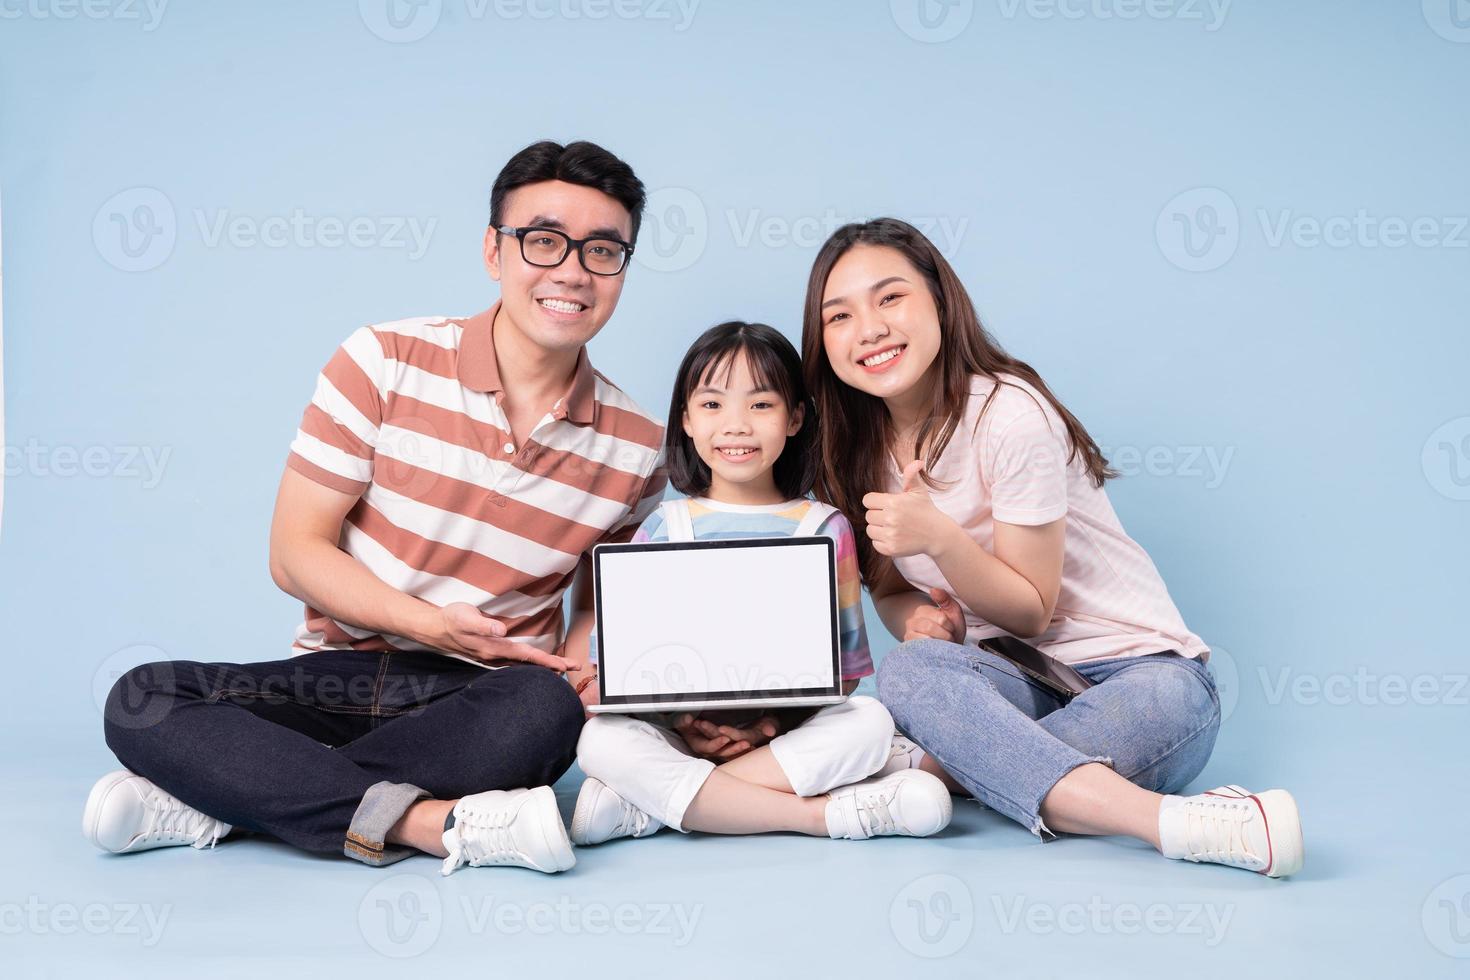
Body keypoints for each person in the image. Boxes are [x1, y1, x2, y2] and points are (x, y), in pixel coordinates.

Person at [83, 140, 667, 875]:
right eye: (543, 242)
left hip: (482, 702)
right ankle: (425, 823)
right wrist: (436, 625)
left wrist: (576, 668)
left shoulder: (641, 448)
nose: (571, 272)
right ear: (494, 250)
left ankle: (223, 802)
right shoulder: (382, 360)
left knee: (547, 714)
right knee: (141, 696)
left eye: (602, 252)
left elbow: (591, 606)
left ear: (622, 269)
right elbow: (295, 554)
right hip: (335, 677)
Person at [801, 218, 1304, 877]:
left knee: (1166, 708)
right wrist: (918, 622)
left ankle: (930, 772)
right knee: (907, 672)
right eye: (839, 315)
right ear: (823, 340)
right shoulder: (849, 451)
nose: (868, 328)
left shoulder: (1008, 411)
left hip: (1138, 675)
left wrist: (941, 539)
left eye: (890, 298)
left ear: (940, 302)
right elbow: (892, 590)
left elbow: (1032, 611)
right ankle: (1176, 823)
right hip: (1013, 682)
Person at [571, 321, 952, 846]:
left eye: (760, 404)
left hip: (784, 737)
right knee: (600, 738)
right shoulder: (664, 527)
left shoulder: (824, 527)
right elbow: (625, 672)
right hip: (681, 737)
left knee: (867, 723)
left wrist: (762, 728)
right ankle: (825, 814)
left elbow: (844, 675)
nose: (736, 426)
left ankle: (650, 806)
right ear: (684, 419)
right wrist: (685, 724)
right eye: (711, 405)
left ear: (794, 418)